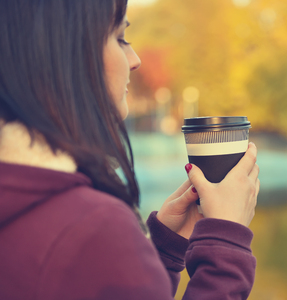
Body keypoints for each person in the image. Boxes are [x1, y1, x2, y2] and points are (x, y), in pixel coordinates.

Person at [0, 0, 260, 299]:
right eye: (120, 38)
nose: (134, 59)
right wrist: (226, 244)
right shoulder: (92, 228)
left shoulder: (20, 196)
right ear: (67, 52)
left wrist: (163, 248)